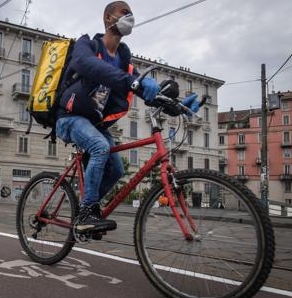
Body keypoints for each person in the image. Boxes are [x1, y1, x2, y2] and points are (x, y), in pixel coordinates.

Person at [55, 1, 201, 236]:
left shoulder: (124, 62)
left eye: (131, 13)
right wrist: (131, 81)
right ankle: (87, 212)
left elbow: (145, 90)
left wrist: (178, 107)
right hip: (70, 117)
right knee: (100, 146)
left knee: (116, 171)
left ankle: (85, 208)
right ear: (107, 17)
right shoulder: (88, 44)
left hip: (95, 123)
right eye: (124, 12)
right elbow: (85, 64)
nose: (129, 16)